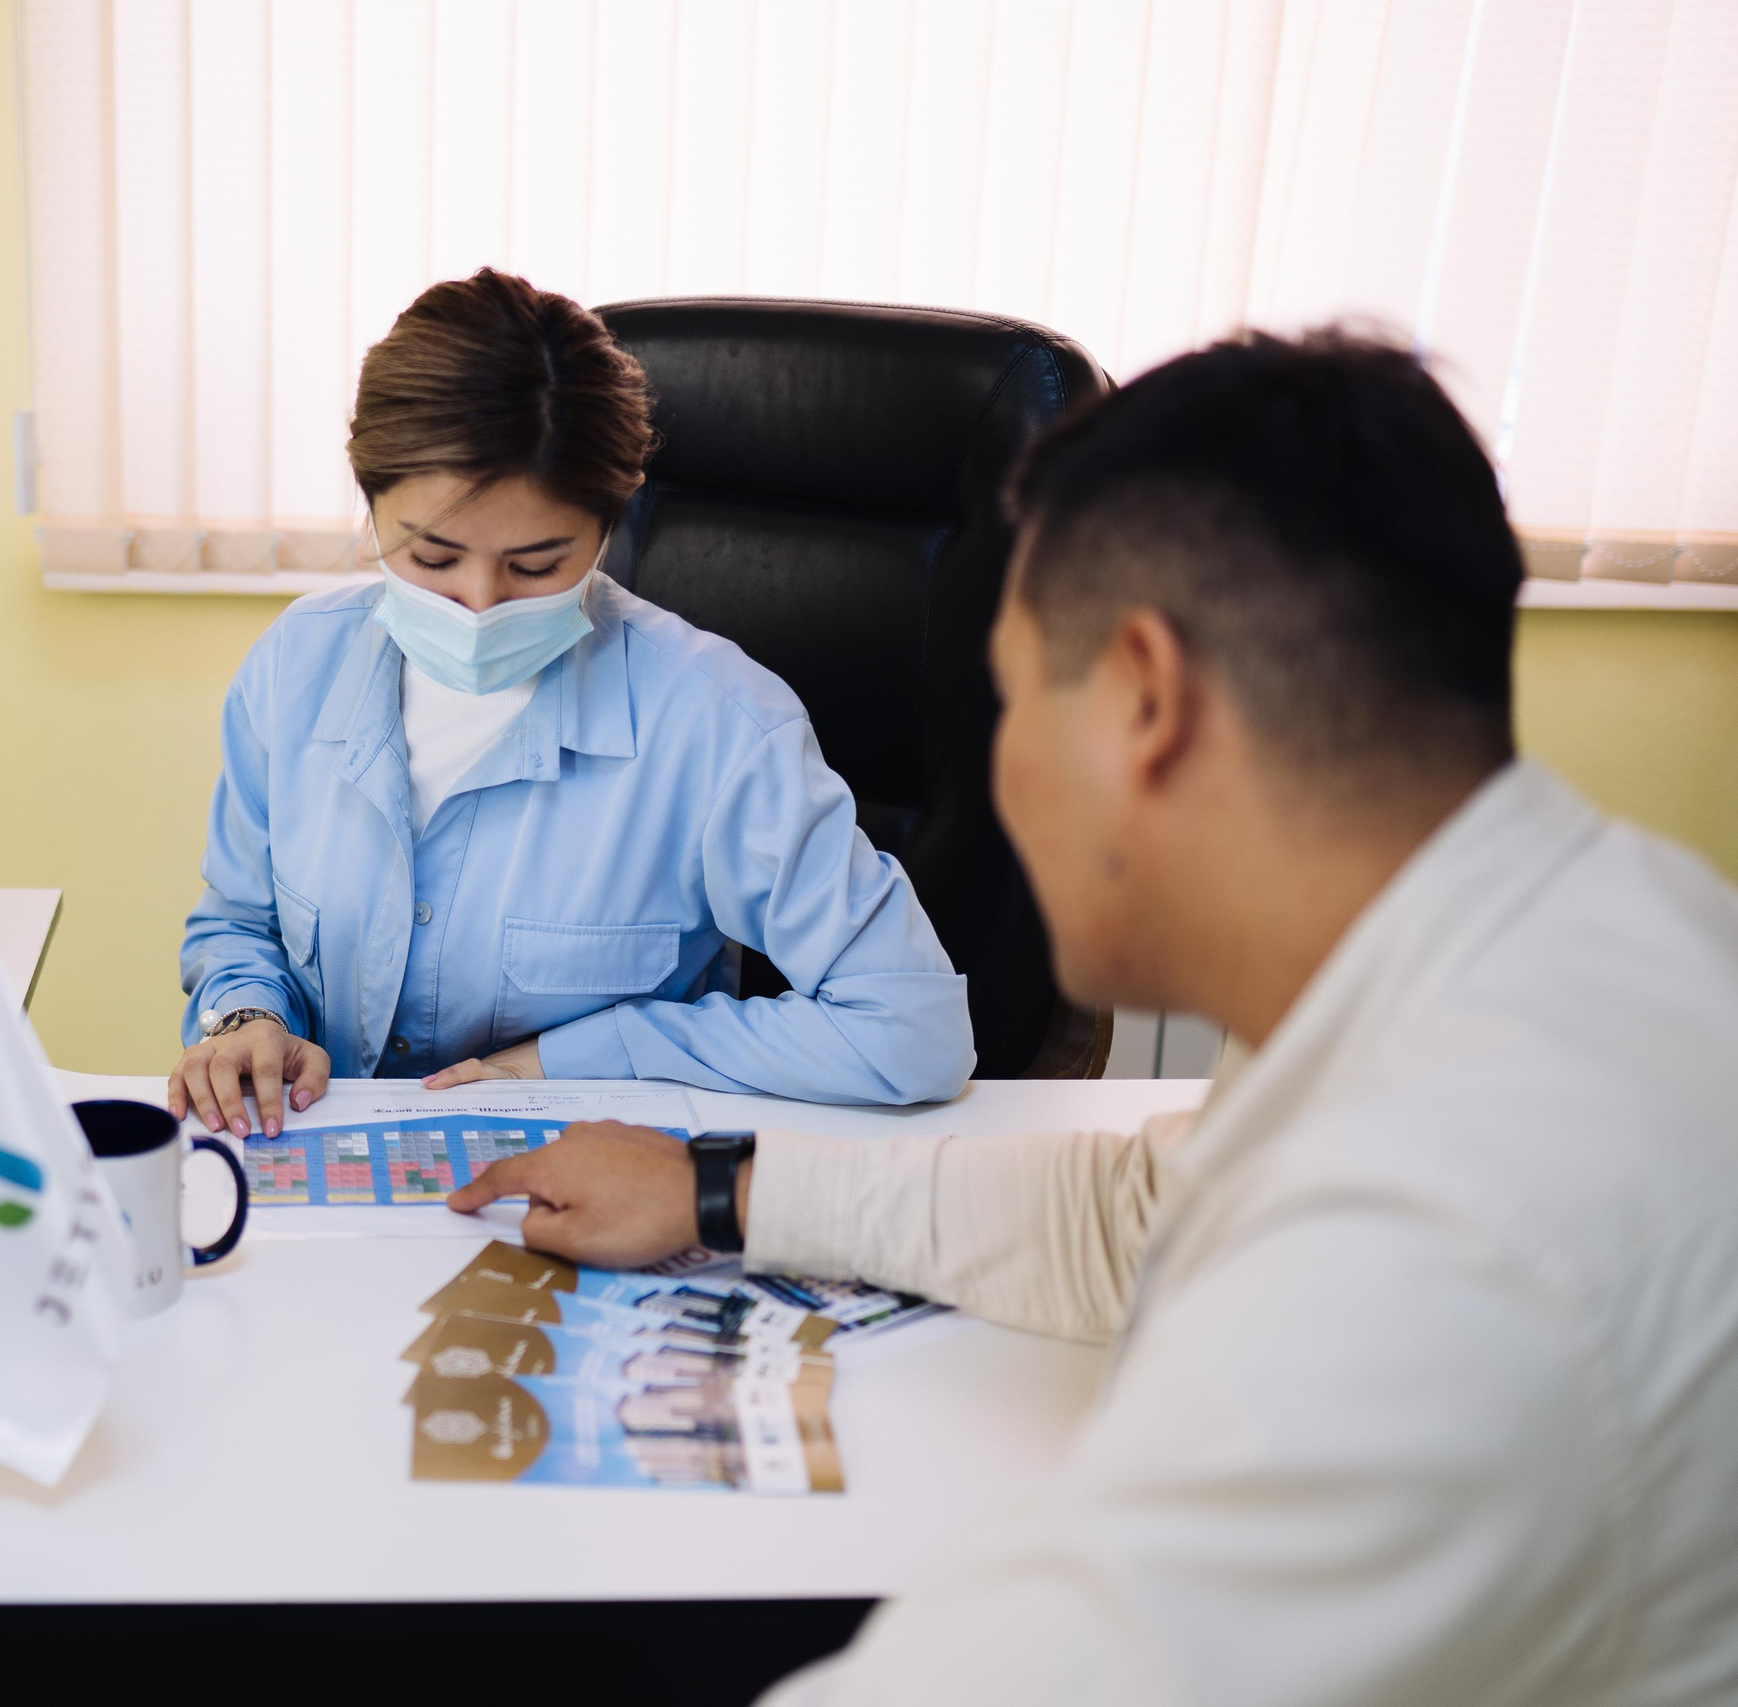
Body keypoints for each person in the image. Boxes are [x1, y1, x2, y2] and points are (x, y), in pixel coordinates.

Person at [450, 331, 1738, 1702]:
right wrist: (721, 1188)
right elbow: (1140, 1208)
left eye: (1011, 696)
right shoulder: (1550, 936)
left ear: (1143, 695)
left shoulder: (1462, 1230)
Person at [170, 270, 973, 1141]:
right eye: (432, 559)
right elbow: (242, 918)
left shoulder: (718, 725)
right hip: (315, 1179)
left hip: (592, 1205)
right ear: (368, 501)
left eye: (536, 564)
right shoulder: (296, 667)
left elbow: (913, 1030)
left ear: (610, 526)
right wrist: (246, 1019)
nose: (479, 603)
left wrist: (579, 1055)